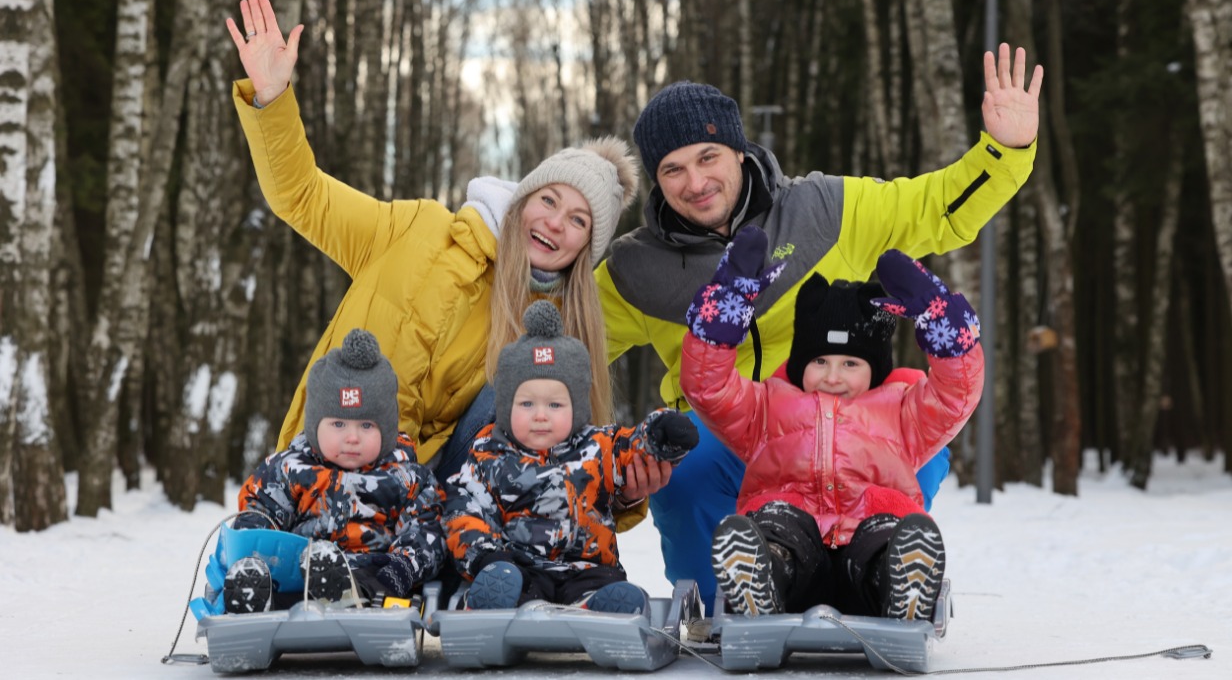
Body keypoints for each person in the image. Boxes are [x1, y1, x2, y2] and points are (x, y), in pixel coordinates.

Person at [598, 45, 1042, 610]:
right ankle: (723, 601)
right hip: (730, 419)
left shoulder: (826, 211)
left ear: (738, 150)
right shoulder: (635, 269)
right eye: (673, 169)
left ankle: (884, 578)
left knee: (916, 450)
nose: (696, 181)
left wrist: (1004, 150)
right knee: (683, 466)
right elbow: (567, 345)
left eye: (708, 157)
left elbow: (939, 208)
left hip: (850, 416)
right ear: (658, 183)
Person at [224, 0, 639, 487]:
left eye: (578, 221)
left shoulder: (549, 331)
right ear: (521, 200)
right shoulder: (416, 228)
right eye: (548, 201)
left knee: (522, 381)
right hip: (325, 467)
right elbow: (302, 196)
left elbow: (574, 446)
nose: (554, 223)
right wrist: (272, 99)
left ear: (585, 248)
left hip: (423, 501)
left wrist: (630, 490)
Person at [681, 227, 982, 620]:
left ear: (874, 369)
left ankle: (901, 583)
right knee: (773, 521)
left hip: (867, 539)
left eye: (850, 364)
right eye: (819, 361)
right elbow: (708, 387)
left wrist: (937, 313)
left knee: (886, 532)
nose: (832, 376)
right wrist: (726, 306)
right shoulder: (768, 406)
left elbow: (958, 391)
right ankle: (759, 574)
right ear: (801, 362)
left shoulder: (902, 412)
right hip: (795, 550)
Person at [443, 301, 699, 614]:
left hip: (586, 569)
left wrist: (662, 435)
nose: (540, 416)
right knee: (506, 583)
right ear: (506, 406)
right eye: (526, 404)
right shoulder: (490, 455)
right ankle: (494, 604)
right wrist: (487, 558)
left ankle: (599, 607)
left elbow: (633, 448)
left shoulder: (597, 446)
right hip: (519, 569)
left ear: (576, 407)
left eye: (554, 405)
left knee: (603, 584)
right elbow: (465, 511)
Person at [222, 328, 445, 613]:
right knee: (284, 583)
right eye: (338, 424)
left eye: (366, 426)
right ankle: (255, 599)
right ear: (315, 426)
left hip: (372, 577)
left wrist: (401, 569)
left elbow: (427, 531)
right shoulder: (290, 468)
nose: (352, 438)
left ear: (387, 430)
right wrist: (253, 538)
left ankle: (346, 596)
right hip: (299, 575)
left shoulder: (406, 477)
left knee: (375, 585)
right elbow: (261, 508)